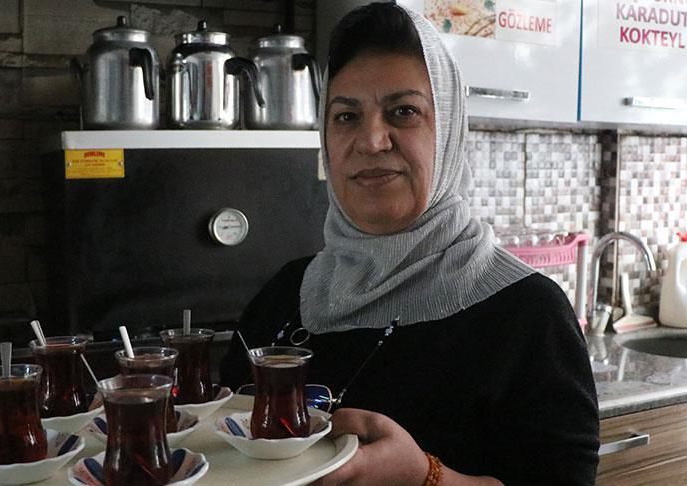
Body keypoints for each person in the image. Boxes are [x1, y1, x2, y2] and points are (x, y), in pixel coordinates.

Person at [220, 3, 599, 485]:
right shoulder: (286, 295)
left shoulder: (528, 314)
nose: (372, 139)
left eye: (403, 112)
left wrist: (426, 477)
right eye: (345, 116)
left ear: (449, 132)